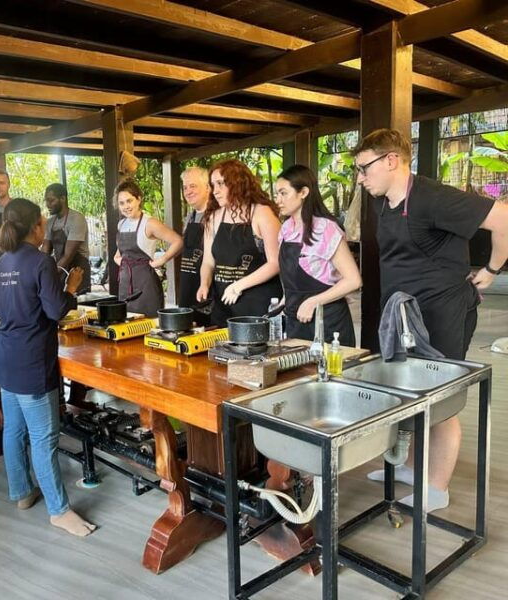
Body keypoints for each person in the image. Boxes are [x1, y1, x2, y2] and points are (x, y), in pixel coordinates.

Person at [353, 128, 508, 511]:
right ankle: (410, 467)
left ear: (391, 160)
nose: (360, 178)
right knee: (410, 392)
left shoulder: (433, 197)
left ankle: (437, 489)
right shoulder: (384, 202)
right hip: (406, 314)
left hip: (442, 312)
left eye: (364, 168)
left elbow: (504, 219)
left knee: (440, 399)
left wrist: (491, 270)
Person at [0, 198, 96, 537]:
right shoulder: (41, 261)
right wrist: (71, 288)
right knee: (44, 438)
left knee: (14, 431)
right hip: (31, 361)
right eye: (42, 222)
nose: (44, 226)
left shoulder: (1, 262)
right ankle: (59, 511)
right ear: (35, 226)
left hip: (6, 357)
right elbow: (56, 310)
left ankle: (22, 493)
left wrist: (17, 311)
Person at [274, 165, 361, 346]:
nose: (278, 200)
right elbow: (291, 277)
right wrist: (285, 300)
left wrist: (314, 302)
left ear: (303, 192)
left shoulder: (326, 228)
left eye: (283, 193)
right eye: (277, 194)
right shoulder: (286, 229)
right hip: (295, 319)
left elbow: (353, 280)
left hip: (327, 322)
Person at [196, 159, 282, 326]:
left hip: (257, 303)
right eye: (213, 185)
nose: (215, 191)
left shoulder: (262, 213)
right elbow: (208, 261)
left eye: (221, 184)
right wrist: (204, 284)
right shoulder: (214, 217)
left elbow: (276, 262)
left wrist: (238, 286)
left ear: (238, 183)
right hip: (224, 302)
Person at [113, 179, 183, 317]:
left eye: (129, 201)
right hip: (125, 286)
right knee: (126, 325)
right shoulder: (121, 224)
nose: (126, 206)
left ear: (139, 199)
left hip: (147, 286)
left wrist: (162, 260)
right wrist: (120, 260)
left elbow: (178, 241)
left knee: (149, 325)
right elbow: (118, 254)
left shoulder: (150, 223)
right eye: (122, 203)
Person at [41, 183, 91, 295]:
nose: (48, 204)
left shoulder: (77, 219)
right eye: (46, 201)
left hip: (77, 271)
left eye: (51, 200)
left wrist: (51, 276)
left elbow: (68, 256)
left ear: (63, 198)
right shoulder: (50, 222)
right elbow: (45, 251)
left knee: (78, 303)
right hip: (60, 268)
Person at [178, 166, 212, 326]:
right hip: (188, 283)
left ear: (207, 187)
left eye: (193, 186)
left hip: (208, 289)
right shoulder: (190, 217)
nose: (188, 191)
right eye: (185, 187)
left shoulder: (216, 215)